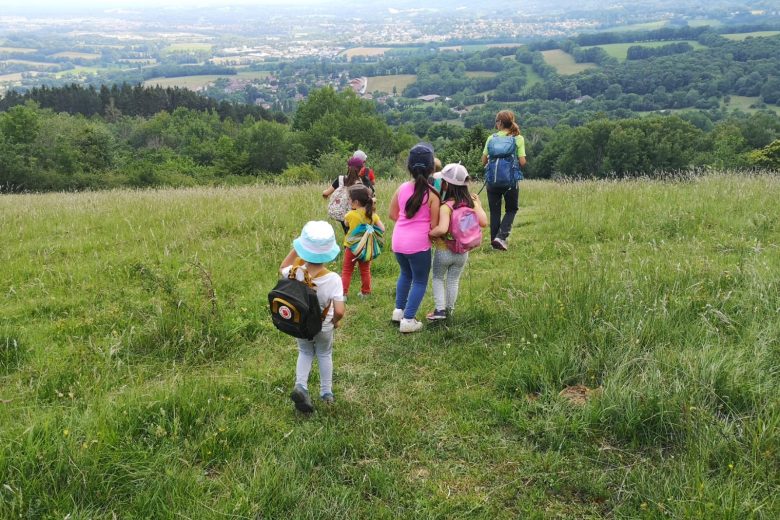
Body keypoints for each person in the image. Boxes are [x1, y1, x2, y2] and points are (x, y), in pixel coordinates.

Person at [279, 221, 345, 413]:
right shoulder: (333, 279)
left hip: (301, 324)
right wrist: (335, 321)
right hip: (324, 326)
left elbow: (282, 266)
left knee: (305, 352)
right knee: (324, 354)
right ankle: (326, 393)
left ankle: (301, 386)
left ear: (302, 250)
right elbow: (339, 310)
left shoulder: (293, 272)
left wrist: (296, 248)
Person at [389, 142, 440, 333]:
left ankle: (398, 311)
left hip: (398, 241)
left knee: (405, 274)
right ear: (431, 168)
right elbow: (434, 226)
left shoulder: (401, 188)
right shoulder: (432, 194)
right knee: (419, 280)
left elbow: (393, 215)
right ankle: (409, 320)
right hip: (418, 245)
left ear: (409, 167)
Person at [427, 163, 488, 320]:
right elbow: (484, 222)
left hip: (444, 250)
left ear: (446, 185)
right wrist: (479, 205)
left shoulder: (446, 206)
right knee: (453, 281)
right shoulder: (471, 203)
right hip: (463, 252)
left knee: (438, 278)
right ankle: (450, 311)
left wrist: (429, 234)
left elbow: (441, 229)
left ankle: (439, 310)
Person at [481, 110, 527, 251]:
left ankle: (495, 242)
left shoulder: (491, 138)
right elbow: (523, 162)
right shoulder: (518, 139)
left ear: (500, 123)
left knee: (495, 212)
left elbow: (483, 161)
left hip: (492, 182)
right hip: (510, 182)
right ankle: (501, 237)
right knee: (512, 209)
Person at [341, 184, 385, 298]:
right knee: (365, 270)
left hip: (351, 248)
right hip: (366, 248)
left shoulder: (350, 214)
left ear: (355, 202)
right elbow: (382, 229)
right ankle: (366, 292)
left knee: (347, 270)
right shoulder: (372, 215)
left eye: (350, 200)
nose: (349, 201)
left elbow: (346, 224)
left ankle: (343, 294)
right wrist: (369, 229)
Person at [322, 156, 373, 233]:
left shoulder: (340, 179)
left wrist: (325, 194)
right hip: (357, 215)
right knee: (356, 235)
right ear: (361, 168)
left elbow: (326, 193)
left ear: (348, 167)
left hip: (342, 213)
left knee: (347, 234)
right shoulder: (361, 183)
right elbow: (369, 196)